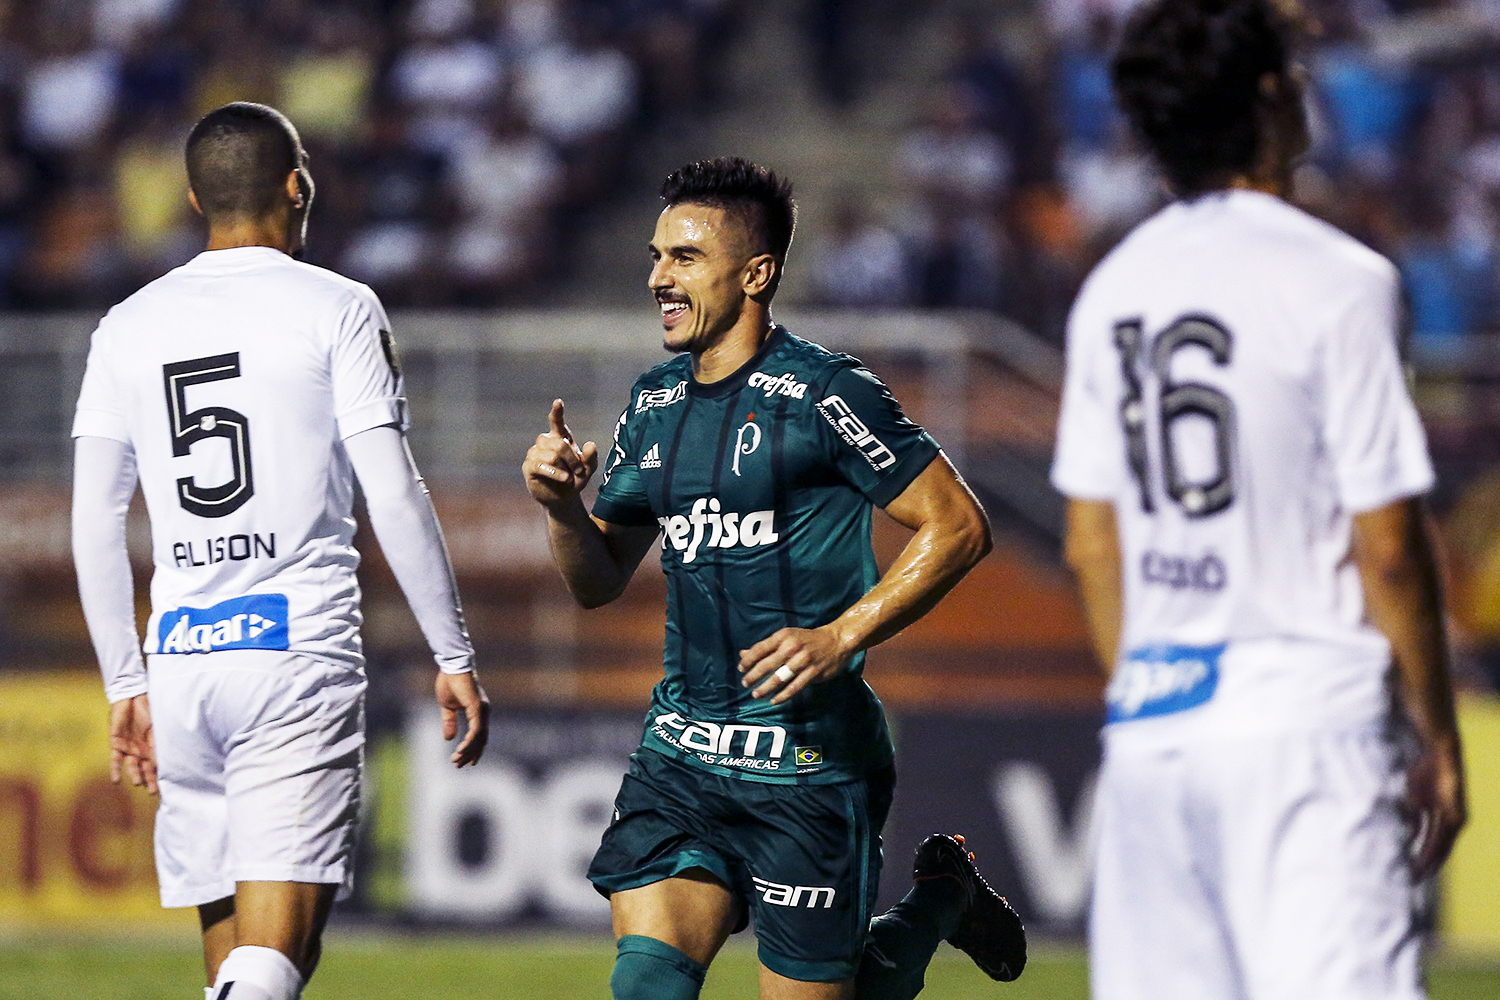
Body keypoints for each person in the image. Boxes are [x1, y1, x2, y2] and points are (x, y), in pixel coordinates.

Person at [522, 156, 1026, 1000]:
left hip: (808, 762)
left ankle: (937, 903)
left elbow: (959, 526)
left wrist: (841, 635)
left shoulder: (827, 394)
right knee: (646, 985)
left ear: (756, 274)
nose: (658, 278)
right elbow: (597, 580)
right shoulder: (652, 404)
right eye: (656, 256)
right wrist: (562, 510)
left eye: (684, 258)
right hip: (682, 754)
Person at [1050, 1, 1467, 998]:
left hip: (1154, 729)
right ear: (1274, 95)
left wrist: (1142, 693)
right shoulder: (1341, 281)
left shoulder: (1112, 289)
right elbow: (1393, 545)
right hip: (1305, 727)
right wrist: (1439, 739)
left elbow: (1092, 546)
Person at [70, 102, 490, 1000]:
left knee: (235, 968)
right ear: (299, 185)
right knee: (273, 969)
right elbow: (393, 491)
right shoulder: (337, 305)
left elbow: (93, 520)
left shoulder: (126, 324)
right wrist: (452, 653)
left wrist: (124, 682)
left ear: (191, 198)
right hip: (290, 652)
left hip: (180, 659)